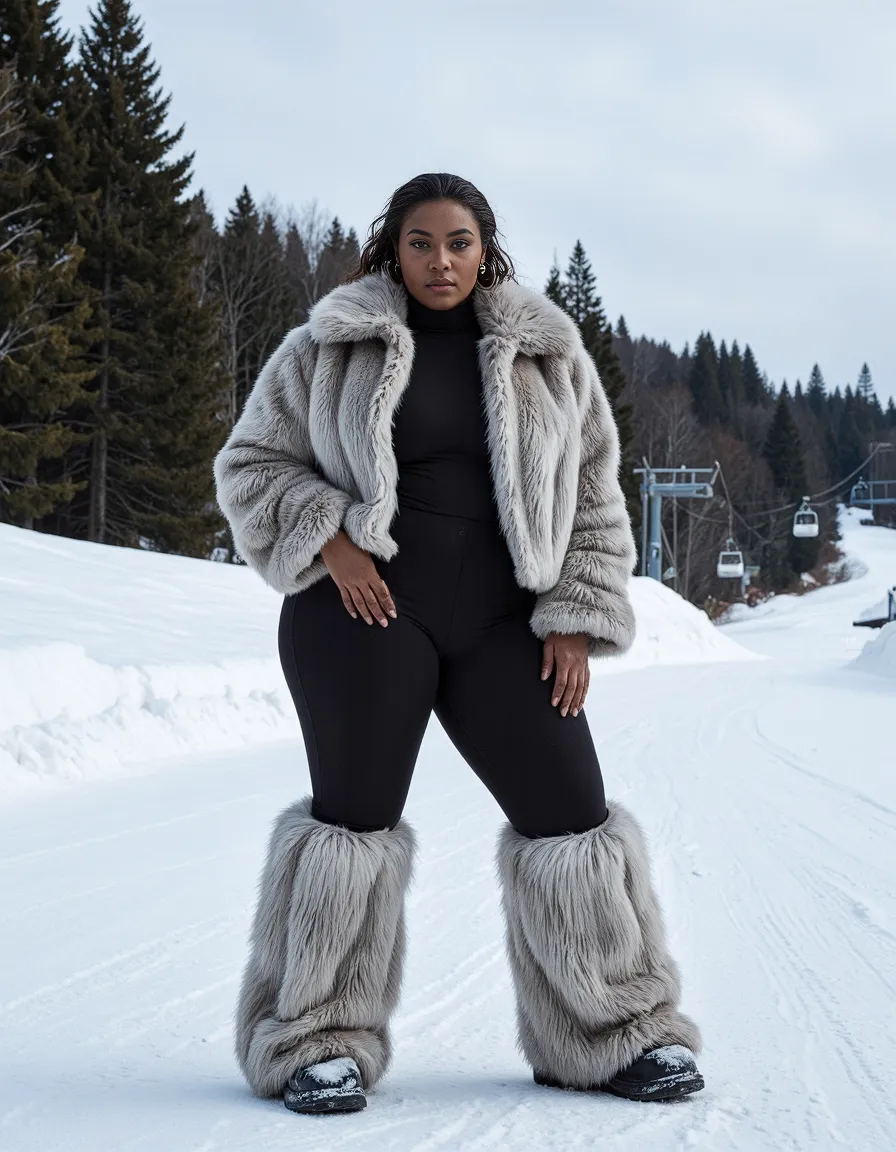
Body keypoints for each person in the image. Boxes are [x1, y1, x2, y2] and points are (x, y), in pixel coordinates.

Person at [213, 172, 704, 1116]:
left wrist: (572, 614)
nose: (442, 261)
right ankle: (314, 1040)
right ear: (390, 251)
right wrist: (333, 539)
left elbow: (595, 496)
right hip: (362, 614)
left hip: (503, 623)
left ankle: (612, 1035)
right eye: (422, 243)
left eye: (460, 242)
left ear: (488, 250)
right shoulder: (326, 346)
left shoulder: (549, 357)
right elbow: (250, 465)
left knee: (571, 813)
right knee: (352, 821)